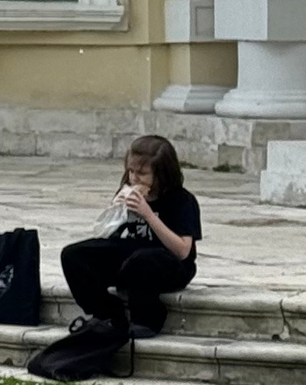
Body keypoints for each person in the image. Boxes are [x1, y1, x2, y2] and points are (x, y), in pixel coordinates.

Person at [60, 134, 201, 337]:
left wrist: (148, 215)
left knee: (141, 260)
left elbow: (182, 251)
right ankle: (106, 312)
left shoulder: (182, 200)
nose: (134, 178)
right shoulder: (130, 192)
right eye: (130, 171)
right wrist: (115, 212)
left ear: (162, 174)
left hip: (167, 263)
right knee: (73, 255)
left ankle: (147, 319)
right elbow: (107, 237)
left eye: (142, 173)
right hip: (130, 257)